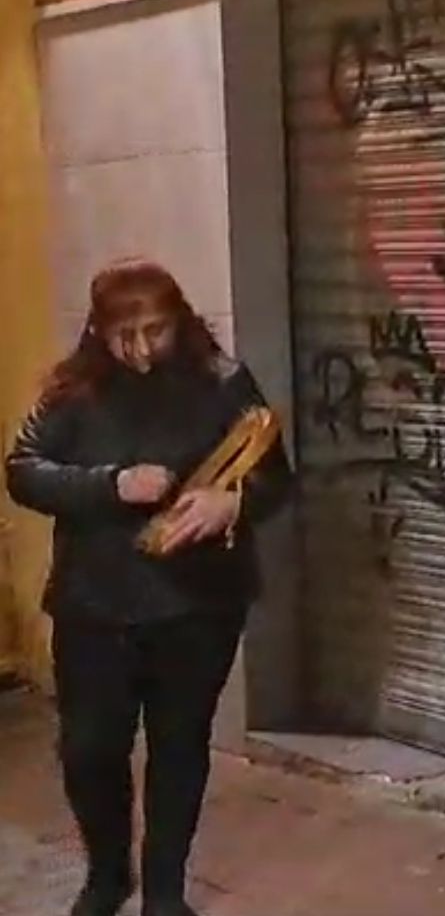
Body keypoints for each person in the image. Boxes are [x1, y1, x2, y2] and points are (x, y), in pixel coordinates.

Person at [5, 259, 293, 916]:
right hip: (95, 605)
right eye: (123, 335)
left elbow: (278, 478)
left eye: (155, 332)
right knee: (90, 749)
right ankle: (108, 875)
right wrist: (110, 484)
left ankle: (165, 891)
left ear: (180, 322)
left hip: (198, 604)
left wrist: (233, 505)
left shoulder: (223, 381)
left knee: (179, 746)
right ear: (98, 331)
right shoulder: (72, 391)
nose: (140, 350)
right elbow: (23, 472)